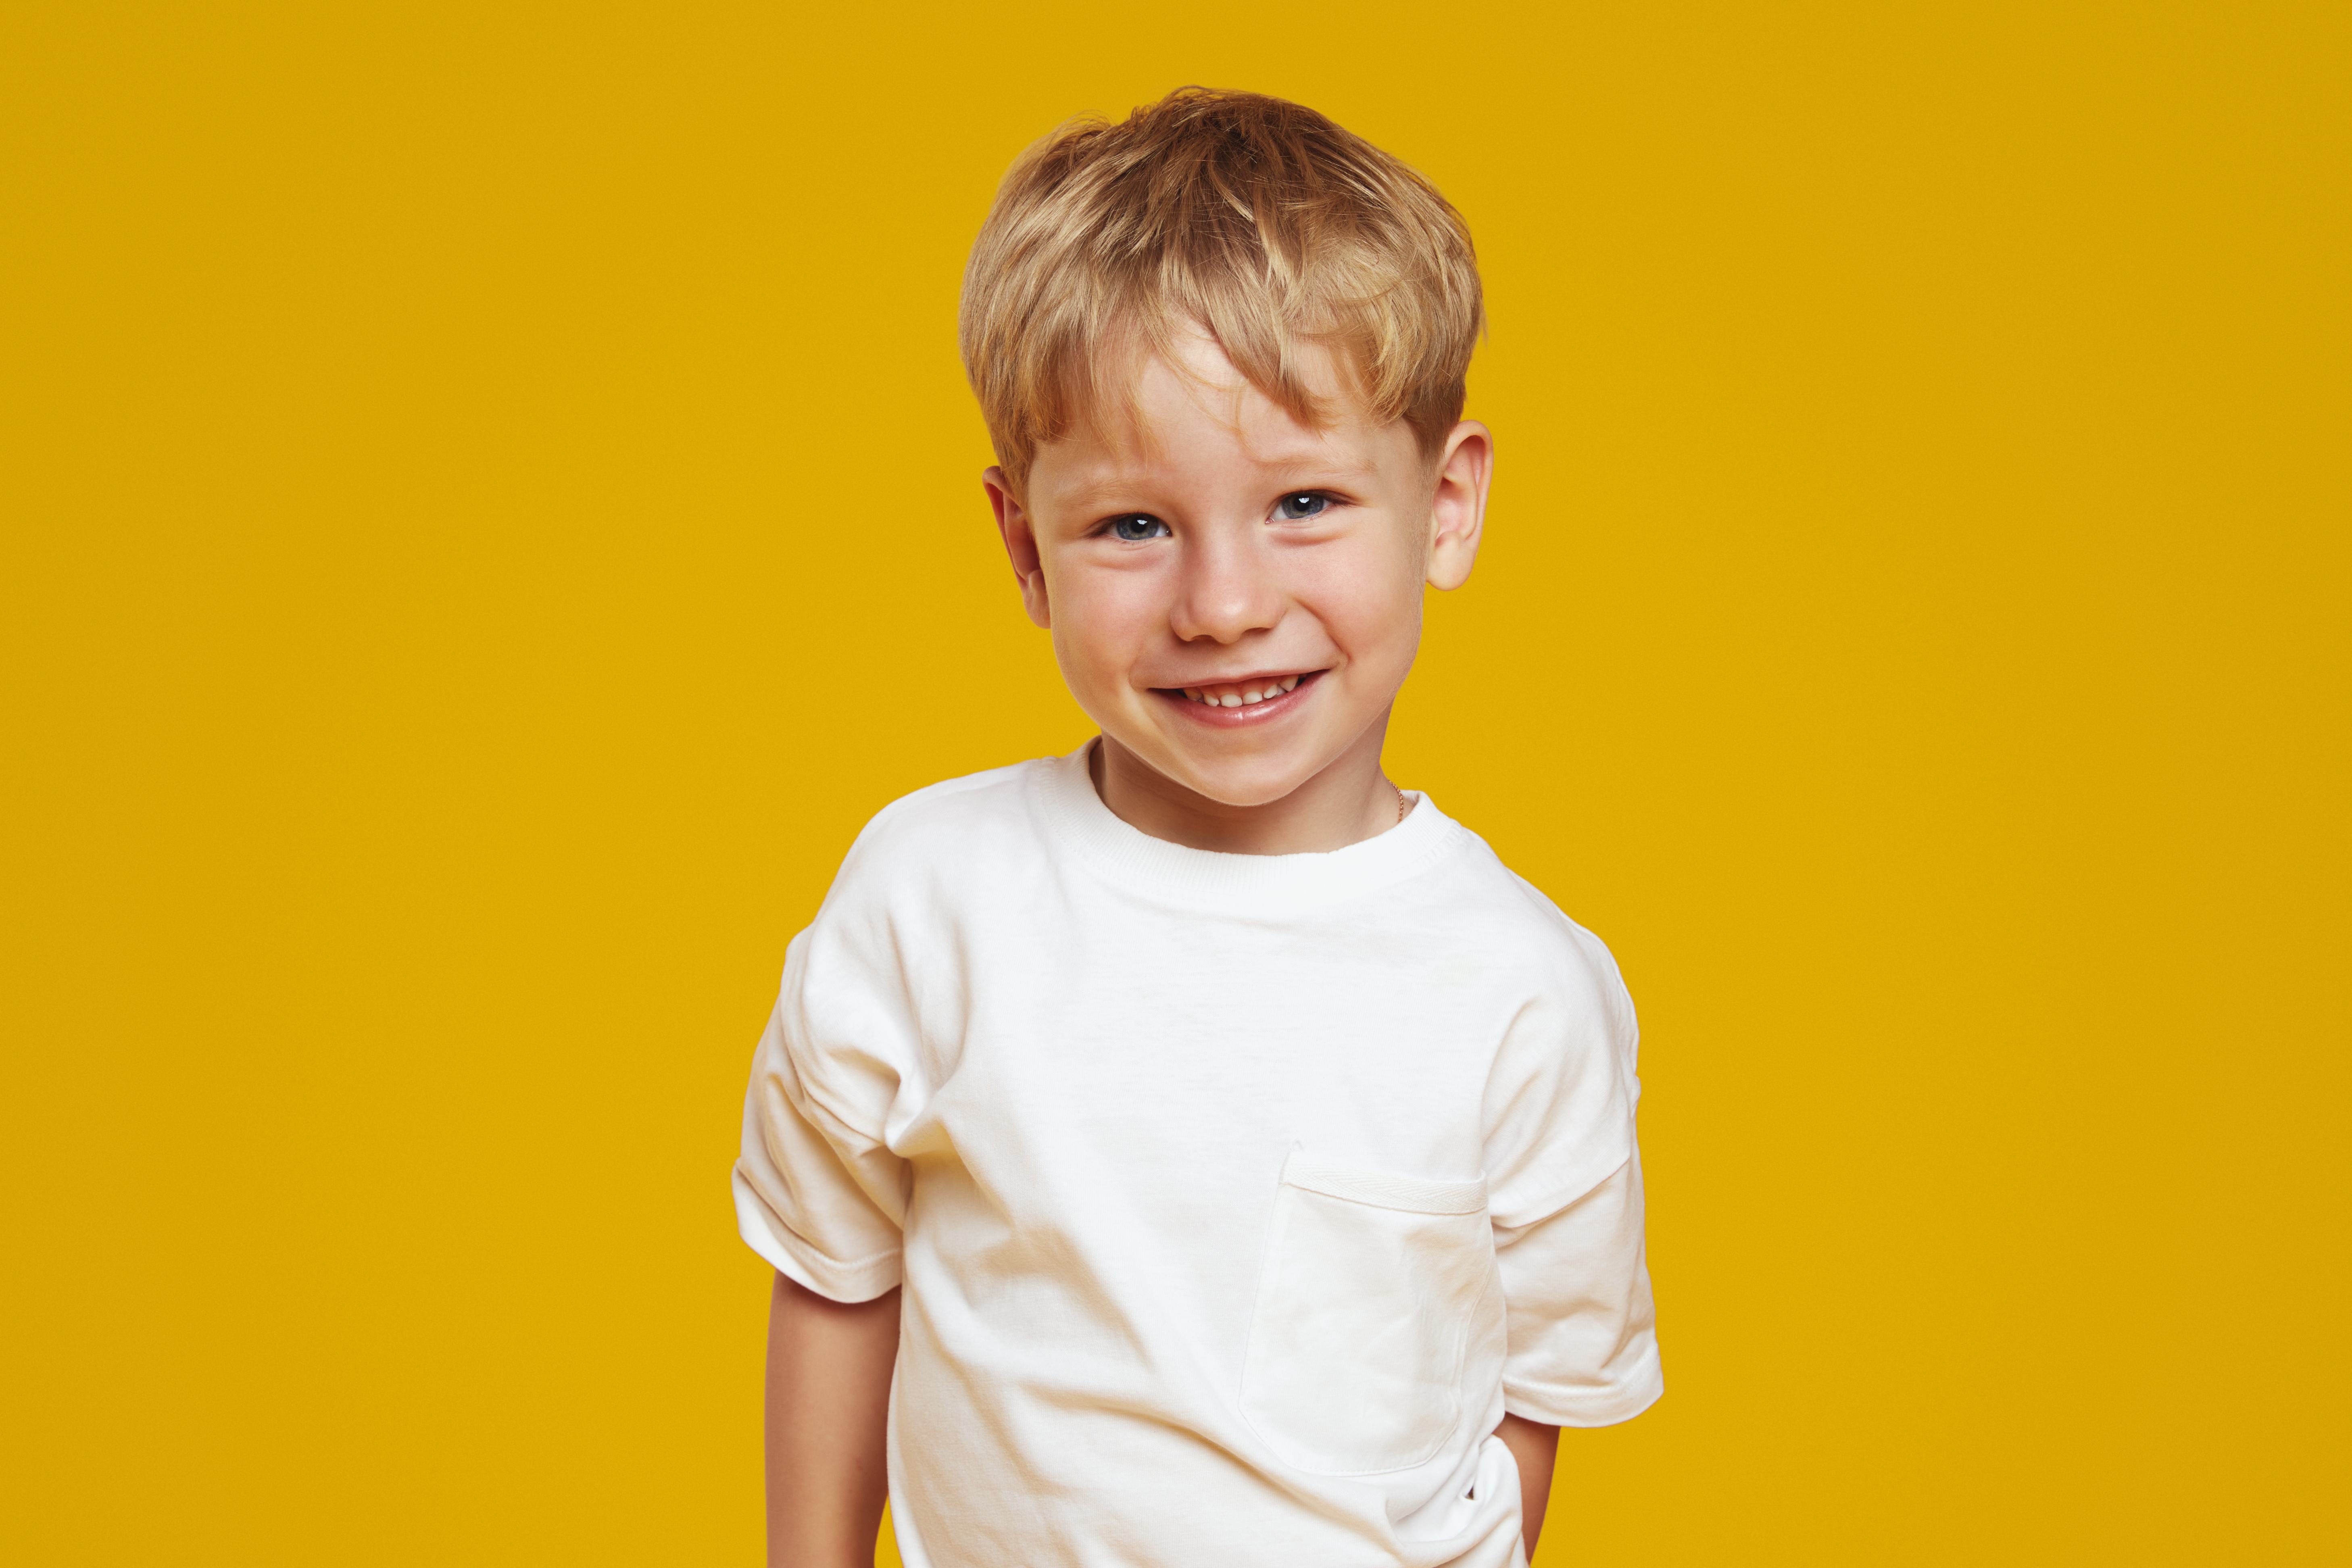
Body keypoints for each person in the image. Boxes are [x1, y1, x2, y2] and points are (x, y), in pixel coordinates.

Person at [734, 87, 1662, 1568]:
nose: (1223, 606)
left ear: (1447, 505)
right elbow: (839, 1274)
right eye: (1134, 526)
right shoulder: (930, 900)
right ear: (1024, 548)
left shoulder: (1522, 992)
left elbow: (1531, 1399)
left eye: (1303, 501)